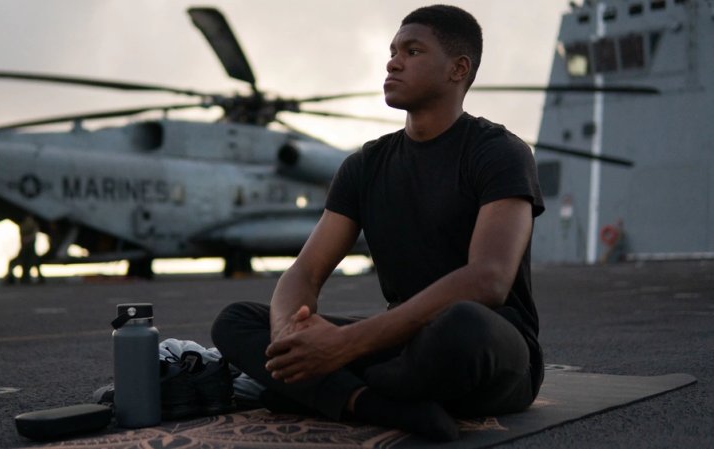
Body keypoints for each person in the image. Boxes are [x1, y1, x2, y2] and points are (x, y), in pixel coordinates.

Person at [211, 5, 544, 442]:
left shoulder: (500, 153)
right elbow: (306, 271)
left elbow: (489, 280)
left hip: (486, 348)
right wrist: (290, 340)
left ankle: (321, 391)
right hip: (398, 346)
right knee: (236, 321)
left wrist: (344, 346)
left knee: (462, 324)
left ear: (458, 69)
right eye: (392, 50)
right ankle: (370, 404)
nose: (393, 61)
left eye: (413, 50)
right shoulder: (364, 165)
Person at [5, 214, 45, 284]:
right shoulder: (24, 226)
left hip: (30, 252)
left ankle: (30, 279)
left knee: (30, 263)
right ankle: (12, 278)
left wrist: (28, 239)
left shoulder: (32, 227)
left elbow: (32, 236)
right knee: (19, 263)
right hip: (24, 251)